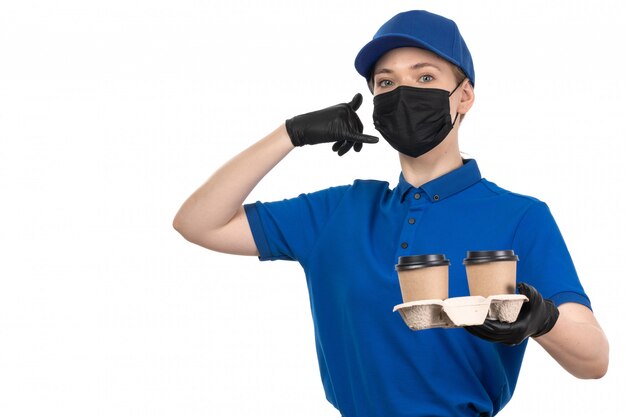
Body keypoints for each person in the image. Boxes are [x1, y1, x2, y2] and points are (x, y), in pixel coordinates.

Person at [173, 9, 608, 417]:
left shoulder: (520, 216)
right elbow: (198, 223)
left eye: (425, 76)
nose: (403, 93)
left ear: (465, 96)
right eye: (386, 83)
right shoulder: (338, 212)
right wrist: (291, 134)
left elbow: (594, 361)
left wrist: (542, 319)